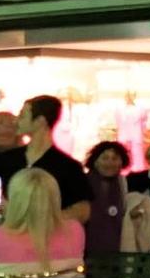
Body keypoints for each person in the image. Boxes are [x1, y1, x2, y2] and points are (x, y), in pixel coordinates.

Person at [10, 94, 90, 223]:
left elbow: (82, 211)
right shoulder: (8, 159)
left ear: (40, 121)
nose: (15, 121)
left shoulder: (69, 167)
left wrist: (43, 223)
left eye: (22, 116)